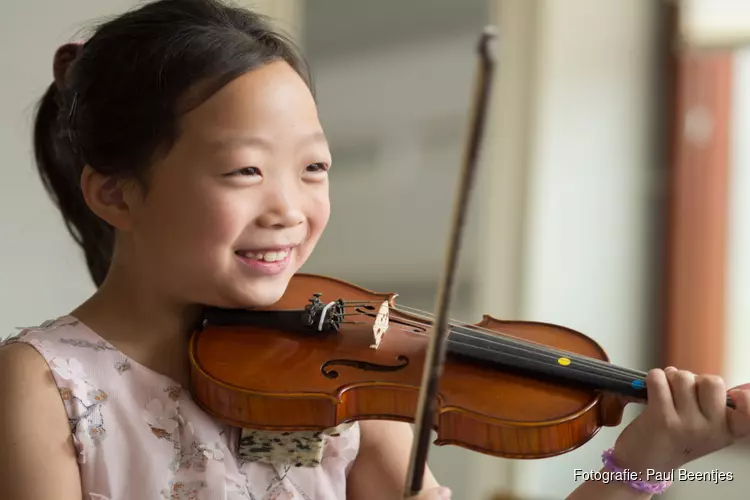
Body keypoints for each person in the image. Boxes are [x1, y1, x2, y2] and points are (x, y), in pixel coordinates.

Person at [0, 1, 748, 499]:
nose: (290, 208)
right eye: (245, 171)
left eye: (314, 168)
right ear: (116, 194)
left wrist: (649, 457)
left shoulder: (350, 382)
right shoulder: (45, 385)